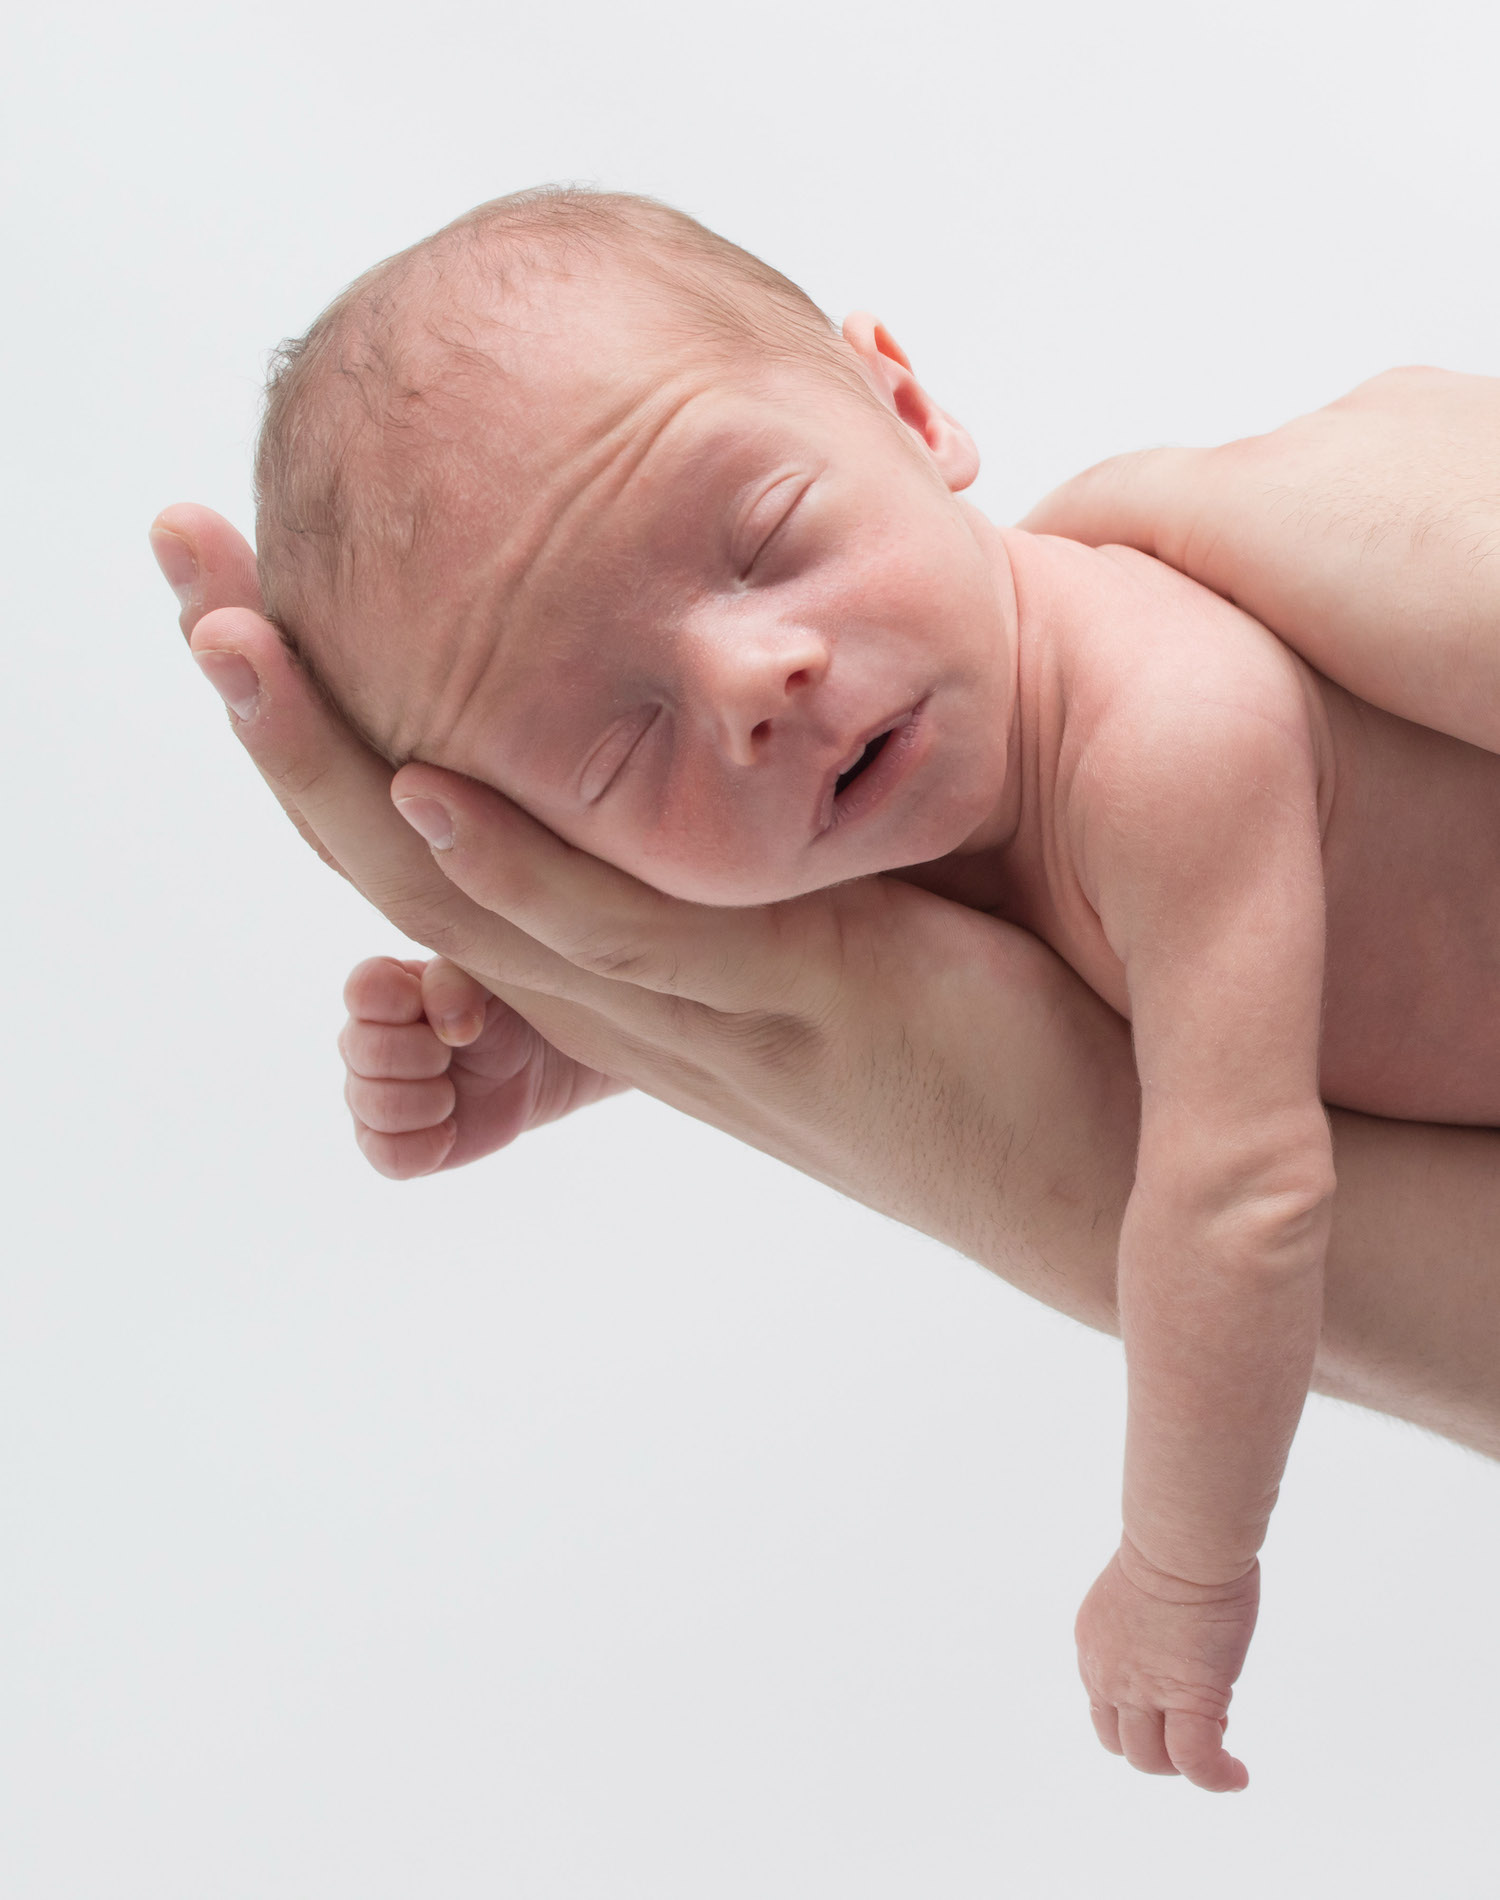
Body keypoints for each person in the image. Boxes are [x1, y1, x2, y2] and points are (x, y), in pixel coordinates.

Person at [153, 345, 1500, 1795]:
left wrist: (1181, 1564)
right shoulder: (935, 776)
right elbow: (923, 966)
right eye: (620, 748)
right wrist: (594, 1031)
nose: (752, 683)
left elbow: (1246, 1202)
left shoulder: (1167, 739)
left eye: (768, 540)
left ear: (909, 413)